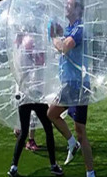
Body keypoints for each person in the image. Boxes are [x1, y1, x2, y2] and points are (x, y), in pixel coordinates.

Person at [47, 0, 95, 177]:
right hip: (71, 83)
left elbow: (65, 46)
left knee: (53, 114)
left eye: (69, 5)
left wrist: (54, 38)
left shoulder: (79, 28)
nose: (65, 7)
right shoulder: (71, 28)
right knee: (80, 130)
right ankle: (87, 168)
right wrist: (59, 32)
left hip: (77, 85)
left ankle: (73, 144)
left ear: (78, 10)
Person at [8, 35, 63, 177]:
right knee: (45, 129)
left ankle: (14, 166)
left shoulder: (21, 54)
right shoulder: (25, 55)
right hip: (32, 95)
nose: (33, 48)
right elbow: (34, 68)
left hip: (27, 95)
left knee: (27, 131)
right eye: (31, 46)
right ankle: (53, 165)